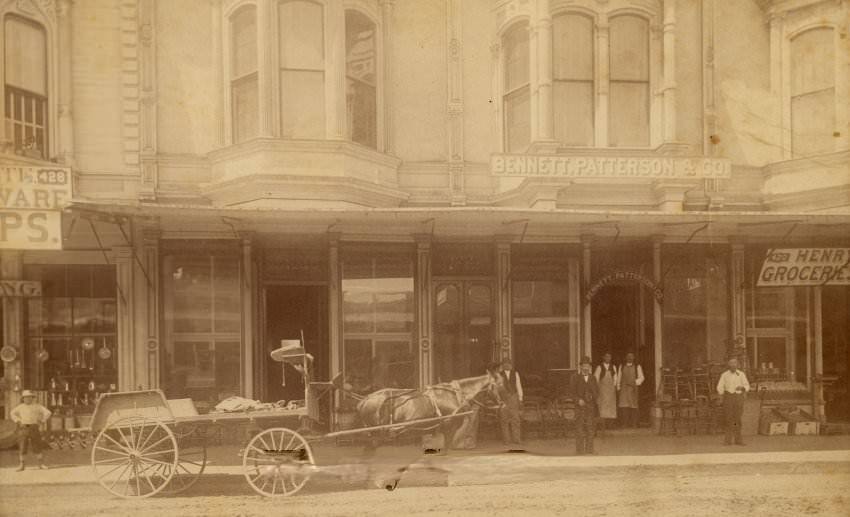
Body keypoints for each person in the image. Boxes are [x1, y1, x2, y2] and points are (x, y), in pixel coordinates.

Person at [10, 390, 52, 471]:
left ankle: (41, 464)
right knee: (22, 446)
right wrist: (18, 421)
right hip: (23, 428)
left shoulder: (37, 406)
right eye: (26, 398)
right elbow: (12, 413)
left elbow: (48, 413)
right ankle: (22, 465)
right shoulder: (20, 407)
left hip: (34, 427)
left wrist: (42, 421)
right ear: (23, 399)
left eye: (29, 397)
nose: (28, 399)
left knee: (37, 445)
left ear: (32, 398)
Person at [716, 357, 750, 446]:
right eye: (731, 363)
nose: (733, 365)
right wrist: (720, 395)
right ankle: (727, 441)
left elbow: (747, 385)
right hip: (728, 397)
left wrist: (742, 388)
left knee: (737, 419)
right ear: (728, 365)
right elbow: (720, 386)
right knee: (728, 418)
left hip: (738, 397)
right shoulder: (724, 375)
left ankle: (738, 440)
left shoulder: (741, 374)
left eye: (734, 363)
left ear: (737, 365)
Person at [571, 357, 599, 455]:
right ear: (581, 366)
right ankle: (579, 451)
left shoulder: (593, 378)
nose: (586, 368)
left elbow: (597, 392)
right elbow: (572, 393)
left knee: (590, 428)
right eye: (584, 366)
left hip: (590, 407)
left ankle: (589, 450)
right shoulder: (575, 377)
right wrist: (578, 400)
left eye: (587, 366)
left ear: (590, 367)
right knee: (579, 428)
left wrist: (592, 395)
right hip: (579, 408)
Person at [498, 358, 523, 448]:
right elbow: (497, 389)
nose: (507, 365)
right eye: (505, 364)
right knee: (504, 419)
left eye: (508, 364)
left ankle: (517, 439)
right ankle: (506, 440)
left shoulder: (515, 374)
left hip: (513, 398)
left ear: (511, 365)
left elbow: (518, 386)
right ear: (502, 365)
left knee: (515, 419)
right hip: (503, 399)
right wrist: (500, 400)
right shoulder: (499, 375)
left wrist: (520, 398)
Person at [616, 352, 645, 428]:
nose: (630, 358)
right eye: (628, 356)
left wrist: (635, 382)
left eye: (631, 356)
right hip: (624, 389)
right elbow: (619, 378)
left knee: (634, 406)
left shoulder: (637, 367)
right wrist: (618, 388)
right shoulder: (621, 366)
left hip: (633, 389)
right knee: (623, 406)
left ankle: (634, 424)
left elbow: (642, 378)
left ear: (634, 358)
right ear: (625, 358)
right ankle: (624, 424)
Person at [594, 352, 618, 428]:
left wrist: (614, 386)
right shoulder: (599, 367)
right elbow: (596, 379)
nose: (608, 358)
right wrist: (598, 388)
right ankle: (602, 425)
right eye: (606, 357)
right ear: (603, 358)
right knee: (603, 406)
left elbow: (615, 378)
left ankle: (610, 425)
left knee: (611, 407)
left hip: (611, 390)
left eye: (609, 357)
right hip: (602, 390)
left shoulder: (613, 367)